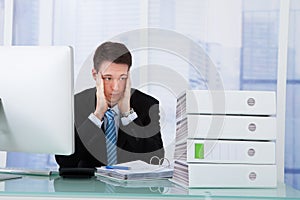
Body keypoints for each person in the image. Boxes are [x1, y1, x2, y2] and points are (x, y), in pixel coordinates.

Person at [55, 41, 164, 168]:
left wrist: (127, 115)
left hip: (128, 187)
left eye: (122, 78)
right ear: (95, 75)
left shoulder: (148, 105)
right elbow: (64, 161)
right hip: (89, 186)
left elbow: (156, 160)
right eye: (108, 78)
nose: (116, 87)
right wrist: (97, 115)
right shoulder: (75, 105)